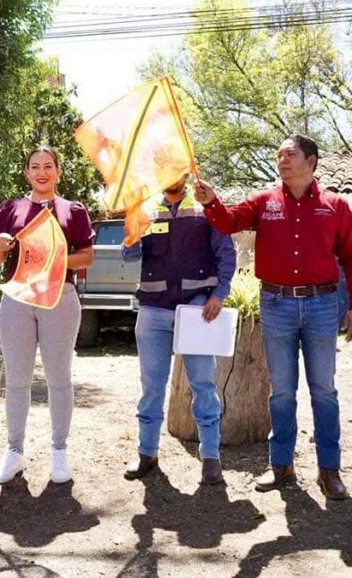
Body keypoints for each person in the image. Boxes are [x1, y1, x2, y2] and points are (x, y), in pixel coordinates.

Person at [194, 134, 352, 500]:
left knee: (324, 391)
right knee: (282, 391)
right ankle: (281, 467)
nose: (283, 160)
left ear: (312, 161)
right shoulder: (263, 201)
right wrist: (212, 203)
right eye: (279, 155)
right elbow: (228, 222)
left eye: (290, 154)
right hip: (276, 304)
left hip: (322, 305)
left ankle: (329, 471)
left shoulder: (335, 205)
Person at [0, 146, 95, 485]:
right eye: (35, 166)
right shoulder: (12, 209)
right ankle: (14, 451)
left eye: (49, 166)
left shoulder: (72, 210)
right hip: (17, 298)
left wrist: (54, 259)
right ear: (27, 173)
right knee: (16, 379)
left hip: (59, 297)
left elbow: (87, 257)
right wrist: (1, 245)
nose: (42, 171)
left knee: (58, 377)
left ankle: (59, 451)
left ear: (58, 172)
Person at [121, 175, 237, 486]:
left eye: (177, 168)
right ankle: (147, 453)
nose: (172, 175)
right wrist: (132, 226)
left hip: (197, 309)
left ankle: (210, 457)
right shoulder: (146, 209)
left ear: (185, 173)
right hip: (153, 309)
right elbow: (129, 255)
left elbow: (226, 253)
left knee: (203, 384)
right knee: (151, 386)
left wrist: (218, 294)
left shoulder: (204, 205)